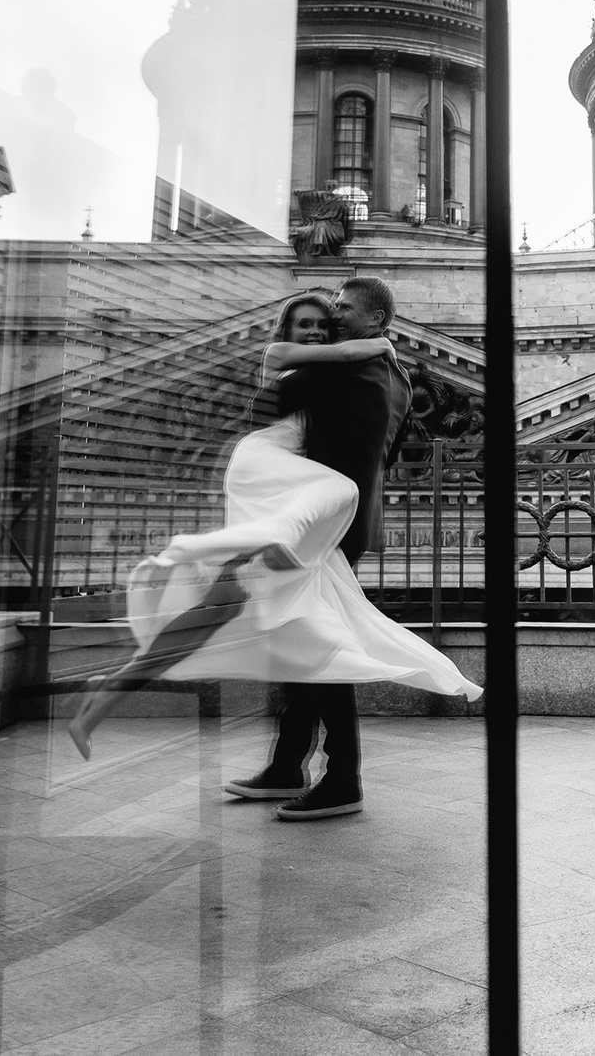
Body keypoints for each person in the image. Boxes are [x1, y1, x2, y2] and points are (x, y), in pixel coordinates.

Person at [66, 283, 478, 822]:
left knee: (312, 641)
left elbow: (270, 394)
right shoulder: (395, 375)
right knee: (289, 631)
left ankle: (340, 777)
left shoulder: (345, 369)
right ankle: (289, 763)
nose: (332, 318)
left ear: (375, 318)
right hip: (325, 518)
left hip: (312, 520)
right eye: (319, 317)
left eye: (341, 311)